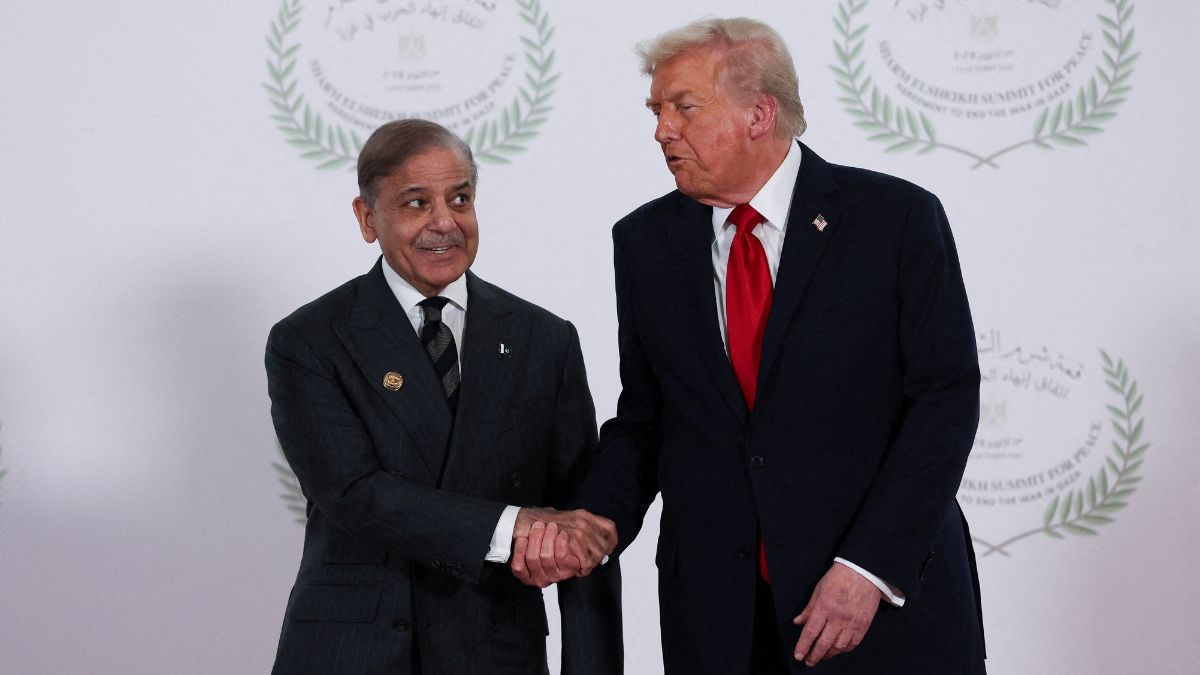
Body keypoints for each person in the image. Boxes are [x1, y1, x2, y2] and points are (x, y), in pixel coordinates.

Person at [514, 17, 985, 674]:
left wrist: (868, 568)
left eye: (683, 107)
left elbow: (944, 402)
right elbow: (649, 421)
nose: (661, 130)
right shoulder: (646, 242)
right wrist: (591, 522)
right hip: (719, 618)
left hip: (873, 606)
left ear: (759, 113)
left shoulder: (895, 220)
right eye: (656, 110)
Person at [266, 119, 621, 675]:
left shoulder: (543, 339)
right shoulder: (309, 339)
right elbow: (352, 493)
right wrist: (513, 526)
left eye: (461, 199)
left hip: (495, 648)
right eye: (414, 203)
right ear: (366, 218)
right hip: (355, 651)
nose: (444, 222)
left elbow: (579, 524)